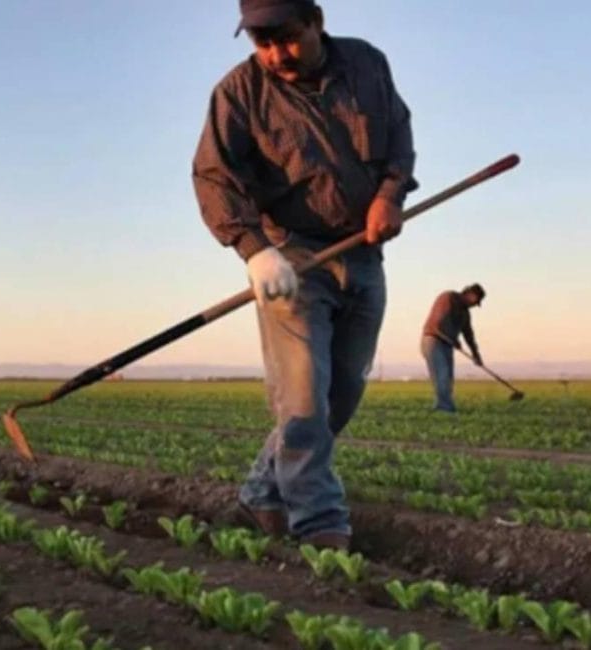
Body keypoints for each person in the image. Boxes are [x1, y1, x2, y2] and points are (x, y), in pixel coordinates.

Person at [192, 0, 417, 549]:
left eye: (287, 38)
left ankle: (261, 492)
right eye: (261, 43)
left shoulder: (367, 64)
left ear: (316, 20)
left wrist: (390, 195)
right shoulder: (238, 93)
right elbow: (213, 177)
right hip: (291, 258)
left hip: (363, 252)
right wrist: (254, 250)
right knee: (304, 398)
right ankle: (319, 524)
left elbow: (399, 139)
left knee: (341, 395)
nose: (275, 54)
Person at [420, 284, 485, 412]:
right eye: (476, 301)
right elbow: (440, 322)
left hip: (447, 344)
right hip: (433, 340)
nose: (475, 305)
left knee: (448, 377)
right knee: (442, 375)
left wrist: (475, 354)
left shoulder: (465, 313)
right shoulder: (449, 297)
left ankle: (443, 405)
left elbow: (469, 335)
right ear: (470, 294)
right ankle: (444, 408)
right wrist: (453, 339)